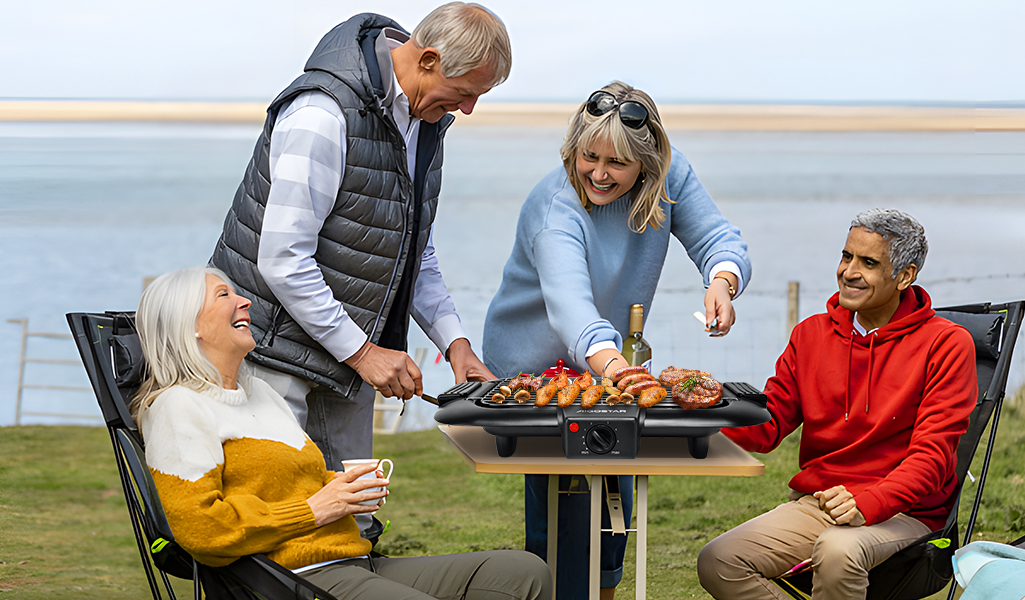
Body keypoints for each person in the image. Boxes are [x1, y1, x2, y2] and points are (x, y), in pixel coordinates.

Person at [209, 2, 507, 497]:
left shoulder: (425, 119)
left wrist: (455, 345)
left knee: (356, 514)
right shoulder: (321, 114)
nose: (469, 109)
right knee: (280, 515)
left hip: (344, 354)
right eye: (464, 93)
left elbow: (414, 250)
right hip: (271, 351)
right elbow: (283, 261)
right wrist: (366, 353)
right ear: (429, 60)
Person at [481, 81, 751, 600]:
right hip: (536, 371)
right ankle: (555, 589)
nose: (599, 174)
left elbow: (717, 237)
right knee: (564, 506)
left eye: (617, 163)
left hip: (604, 371)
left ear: (647, 164)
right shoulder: (556, 206)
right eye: (589, 157)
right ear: (573, 150)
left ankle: (602, 589)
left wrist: (722, 281)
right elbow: (571, 310)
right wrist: (620, 371)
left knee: (616, 503)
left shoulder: (671, 177)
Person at [133, 266, 551, 600]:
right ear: (190, 326)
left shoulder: (258, 392)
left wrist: (343, 488)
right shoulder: (177, 407)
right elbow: (203, 530)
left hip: (352, 562)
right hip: (293, 581)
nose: (245, 301)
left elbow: (296, 485)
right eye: (224, 296)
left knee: (523, 574)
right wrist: (316, 510)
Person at [697, 209, 977, 600]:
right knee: (720, 560)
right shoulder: (811, 334)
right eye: (846, 257)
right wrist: (698, 409)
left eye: (868, 262)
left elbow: (931, 460)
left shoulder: (947, 344)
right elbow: (768, 423)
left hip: (904, 512)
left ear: (905, 276)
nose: (849, 271)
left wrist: (869, 502)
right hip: (821, 504)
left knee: (838, 550)